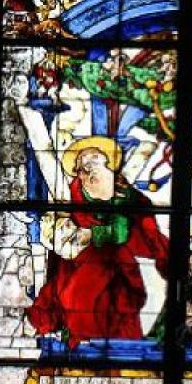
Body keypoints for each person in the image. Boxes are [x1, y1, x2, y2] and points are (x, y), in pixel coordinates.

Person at [26, 136, 170, 347]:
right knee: (76, 297)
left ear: (107, 164)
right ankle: (80, 344)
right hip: (80, 263)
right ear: (78, 172)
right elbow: (62, 235)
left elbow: (129, 232)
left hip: (118, 267)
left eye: (95, 161)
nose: (90, 169)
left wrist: (99, 231)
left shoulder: (124, 193)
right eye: (84, 166)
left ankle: (118, 351)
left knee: (118, 309)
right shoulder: (69, 197)